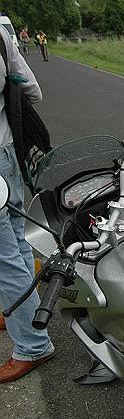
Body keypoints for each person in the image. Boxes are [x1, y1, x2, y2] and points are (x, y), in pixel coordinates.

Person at [0, 24, 54, 383]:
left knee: (4, 255)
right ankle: (21, 312)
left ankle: (33, 344)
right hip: (9, 149)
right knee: (16, 241)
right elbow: (31, 89)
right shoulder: (3, 32)